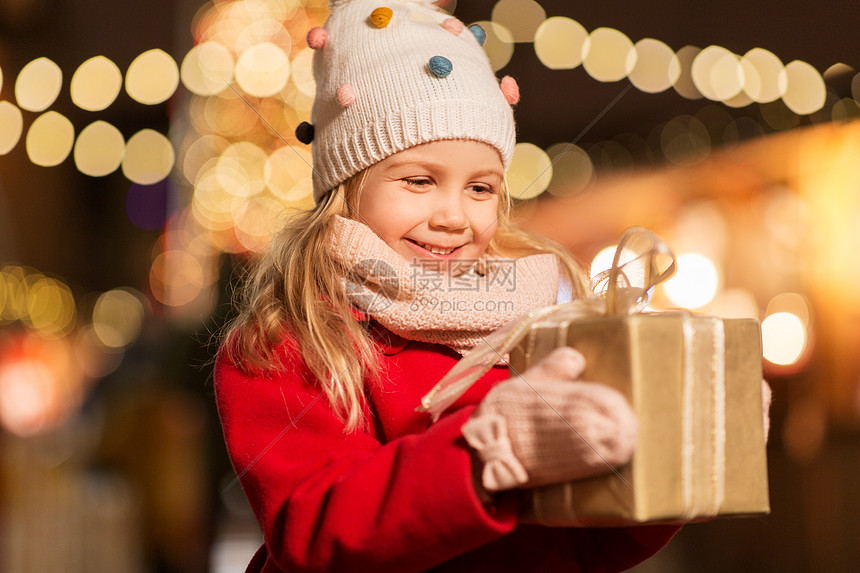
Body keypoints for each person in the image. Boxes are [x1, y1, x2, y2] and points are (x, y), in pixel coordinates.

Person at [214, 0, 680, 570]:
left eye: (480, 189)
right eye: (418, 181)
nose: (454, 216)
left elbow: (582, 544)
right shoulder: (290, 341)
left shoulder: (533, 327)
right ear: (345, 185)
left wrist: (673, 438)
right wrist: (488, 451)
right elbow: (316, 529)